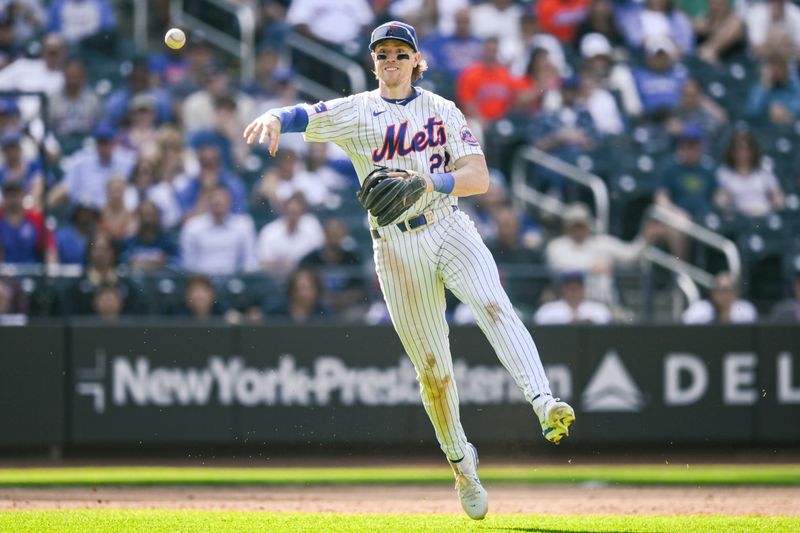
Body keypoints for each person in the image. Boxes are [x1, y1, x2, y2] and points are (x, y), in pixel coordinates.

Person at [243, 20, 575, 521]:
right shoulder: (357, 111)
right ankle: (463, 463)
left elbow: (478, 177)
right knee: (434, 374)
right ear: (372, 61)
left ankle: (544, 402)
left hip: (448, 226)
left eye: (401, 53)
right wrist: (273, 113)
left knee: (492, 303)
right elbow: (305, 114)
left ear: (418, 61)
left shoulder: (442, 109)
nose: (391, 61)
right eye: (383, 54)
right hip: (395, 248)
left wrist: (428, 182)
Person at [533, 271, 612, 324]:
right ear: (563, 288)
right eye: (569, 286)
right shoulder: (547, 310)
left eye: (577, 286)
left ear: (583, 288)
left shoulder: (599, 309)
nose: (573, 290)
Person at [682, 271, 757, 324]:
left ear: (735, 293)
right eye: (718, 290)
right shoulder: (699, 310)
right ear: (712, 293)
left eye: (726, 290)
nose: (723, 295)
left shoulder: (745, 311)